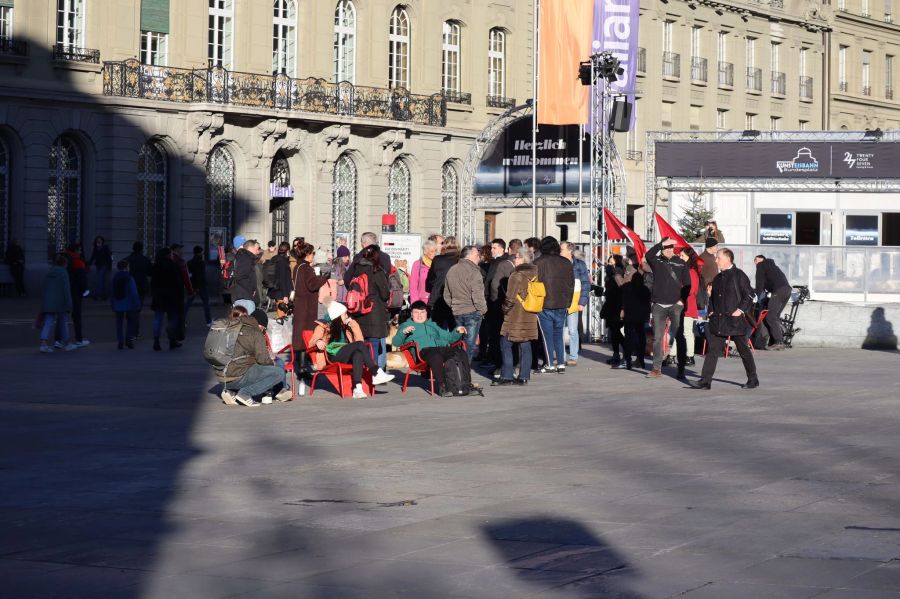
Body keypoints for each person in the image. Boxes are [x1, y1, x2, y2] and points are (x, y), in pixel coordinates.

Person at [689, 248, 759, 390]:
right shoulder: (718, 277)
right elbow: (714, 298)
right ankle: (705, 381)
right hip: (719, 320)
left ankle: (753, 379)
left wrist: (740, 310)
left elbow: (750, 295)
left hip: (735, 321)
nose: (716, 261)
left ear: (728, 259)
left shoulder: (739, 275)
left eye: (718, 258)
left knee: (743, 351)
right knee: (712, 351)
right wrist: (711, 311)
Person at [310, 301, 395, 398]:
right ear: (337, 315)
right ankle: (375, 372)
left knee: (358, 353)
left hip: (346, 353)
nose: (347, 316)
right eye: (345, 314)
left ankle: (357, 388)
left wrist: (353, 325)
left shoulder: (347, 326)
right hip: (332, 356)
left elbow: (360, 341)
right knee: (358, 346)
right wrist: (318, 342)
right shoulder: (323, 326)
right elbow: (311, 342)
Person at [219, 305, 292, 407]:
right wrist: (273, 362)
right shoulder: (255, 333)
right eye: (264, 329)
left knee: (255, 367)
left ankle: (230, 391)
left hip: (223, 378)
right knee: (278, 371)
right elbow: (263, 360)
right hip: (240, 375)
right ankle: (247, 393)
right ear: (261, 326)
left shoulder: (231, 328)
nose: (264, 331)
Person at [391, 301, 469, 396]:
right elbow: (396, 342)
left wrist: (457, 331)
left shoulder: (433, 325)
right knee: (434, 353)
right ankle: (442, 386)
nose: (419, 315)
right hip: (422, 354)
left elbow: (449, 338)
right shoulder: (406, 325)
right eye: (416, 312)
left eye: (422, 312)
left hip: (440, 349)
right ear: (411, 314)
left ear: (426, 313)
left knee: (460, 352)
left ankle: (466, 385)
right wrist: (403, 332)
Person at [645, 237, 691, 378]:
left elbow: (688, 284)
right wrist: (660, 244)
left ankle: (681, 369)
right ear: (662, 249)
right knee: (657, 338)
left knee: (679, 337)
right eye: (667, 248)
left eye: (671, 247)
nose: (670, 250)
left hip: (675, 306)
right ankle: (656, 369)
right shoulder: (656, 261)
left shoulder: (681, 263)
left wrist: (682, 299)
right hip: (659, 305)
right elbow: (648, 255)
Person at [496, 247, 539, 385]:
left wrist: (504, 309)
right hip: (530, 312)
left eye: (516, 257)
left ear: (522, 259)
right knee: (525, 344)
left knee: (505, 343)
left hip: (515, 315)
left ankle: (507, 376)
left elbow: (510, 297)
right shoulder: (536, 273)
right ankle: (524, 376)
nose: (514, 259)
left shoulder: (516, 275)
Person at [534, 236, 575, 374]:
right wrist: (568, 302)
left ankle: (550, 364)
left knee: (547, 335)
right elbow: (571, 284)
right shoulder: (566, 262)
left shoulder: (538, 262)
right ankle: (561, 363)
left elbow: (533, 283)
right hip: (562, 303)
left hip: (544, 303)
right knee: (559, 334)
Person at [443, 245, 488, 362]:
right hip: (472, 312)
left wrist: (454, 306)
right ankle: (464, 374)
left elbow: (446, 294)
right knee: (469, 346)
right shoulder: (474, 271)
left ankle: (457, 371)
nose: (479, 256)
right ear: (470, 256)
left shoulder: (452, 269)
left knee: (459, 344)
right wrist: (482, 310)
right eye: (477, 254)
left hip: (457, 311)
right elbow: (477, 294)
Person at [351, 245, 391, 370]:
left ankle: (362, 373)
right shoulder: (376, 271)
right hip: (374, 311)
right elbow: (385, 294)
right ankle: (373, 374)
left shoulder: (357, 270)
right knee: (374, 344)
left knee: (362, 343)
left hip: (359, 311)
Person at [291, 242, 331, 364]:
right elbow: (312, 285)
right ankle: (303, 366)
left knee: (300, 333)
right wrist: (323, 278)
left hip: (300, 304)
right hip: (307, 306)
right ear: (307, 254)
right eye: (312, 253)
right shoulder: (306, 268)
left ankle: (300, 362)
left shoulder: (298, 266)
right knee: (306, 333)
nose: (313, 255)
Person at [666, 248, 701, 377]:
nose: (680, 257)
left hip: (687, 305)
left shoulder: (691, 271)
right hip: (680, 304)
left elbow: (691, 290)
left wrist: (678, 292)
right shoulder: (683, 270)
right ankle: (672, 355)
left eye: (682, 255)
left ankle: (690, 356)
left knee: (686, 331)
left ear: (689, 257)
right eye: (679, 255)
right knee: (677, 331)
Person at [614, 257, 651, 370]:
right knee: (640, 335)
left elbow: (624, 294)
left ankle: (627, 360)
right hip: (641, 313)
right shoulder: (646, 283)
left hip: (631, 312)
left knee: (629, 336)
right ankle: (640, 360)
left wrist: (617, 275)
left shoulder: (629, 281)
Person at [39, 254, 76, 353]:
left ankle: (43, 343)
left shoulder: (50, 272)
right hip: (61, 302)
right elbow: (66, 290)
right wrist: (69, 304)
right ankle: (67, 343)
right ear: (64, 264)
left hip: (48, 301)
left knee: (48, 322)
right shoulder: (63, 273)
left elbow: (44, 288)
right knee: (63, 322)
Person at [150, 247, 185, 351]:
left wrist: (154, 293)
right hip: (172, 296)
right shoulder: (174, 266)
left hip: (159, 295)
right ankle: (172, 340)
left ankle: (156, 341)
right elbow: (179, 283)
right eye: (170, 254)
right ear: (168, 255)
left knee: (157, 318)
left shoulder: (156, 266)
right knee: (172, 319)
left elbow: (152, 283)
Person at [561, 242, 591, 366]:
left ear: (570, 251)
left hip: (574, 302)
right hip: (560, 301)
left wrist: (582, 302)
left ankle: (573, 356)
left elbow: (585, 284)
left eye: (562, 249)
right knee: (561, 330)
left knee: (573, 330)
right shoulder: (558, 263)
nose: (560, 251)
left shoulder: (579, 265)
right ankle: (561, 356)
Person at [754, 255, 791, 350]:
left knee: (770, 316)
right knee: (775, 316)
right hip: (787, 290)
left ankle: (779, 341)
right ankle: (775, 341)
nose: (756, 263)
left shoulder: (761, 266)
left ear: (761, 260)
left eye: (756, 261)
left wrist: (756, 298)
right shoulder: (773, 266)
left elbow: (759, 285)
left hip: (778, 291)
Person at [425, 236, 461, 329]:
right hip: (456, 299)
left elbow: (430, 280)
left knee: (438, 330)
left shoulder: (437, 259)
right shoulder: (461, 260)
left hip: (438, 298)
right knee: (455, 331)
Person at [60, 243, 89, 348]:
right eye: (79, 250)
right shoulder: (77, 261)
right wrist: (85, 289)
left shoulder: (63, 259)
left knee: (62, 316)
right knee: (76, 316)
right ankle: (79, 339)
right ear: (76, 250)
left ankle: (58, 340)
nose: (80, 252)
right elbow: (82, 278)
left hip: (63, 291)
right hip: (75, 292)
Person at [600, 255, 625, 366]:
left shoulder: (618, 271)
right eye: (608, 261)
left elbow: (620, 287)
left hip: (617, 305)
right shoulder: (610, 273)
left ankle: (625, 351)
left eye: (611, 261)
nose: (609, 263)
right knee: (613, 331)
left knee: (615, 330)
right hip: (610, 305)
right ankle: (616, 354)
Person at [111, 260, 141, 349]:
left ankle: (120, 342)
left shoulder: (115, 277)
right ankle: (128, 340)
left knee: (119, 323)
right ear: (126, 267)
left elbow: (112, 292)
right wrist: (137, 303)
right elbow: (134, 292)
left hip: (117, 303)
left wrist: (112, 303)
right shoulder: (129, 277)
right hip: (129, 304)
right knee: (131, 321)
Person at [124, 242, 152, 335]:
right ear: (141, 249)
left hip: (129, 287)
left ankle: (131, 328)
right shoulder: (145, 260)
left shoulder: (127, 260)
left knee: (130, 308)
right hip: (141, 287)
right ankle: (134, 330)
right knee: (137, 309)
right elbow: (150, 272)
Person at [170, 243, 194, 340]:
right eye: (180, 249)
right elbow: (186, 278)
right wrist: (190, 291)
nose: (182, 251)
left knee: (169, 313)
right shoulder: (180, 261)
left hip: (166, 290)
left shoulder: (165, 260)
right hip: (178, 290)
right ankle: (176, 333)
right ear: (176, 250)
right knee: (179, 313)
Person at [185, 245, 212, 327]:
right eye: (202, 252)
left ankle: (181, 320)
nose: (203, 253)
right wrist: (198, 286)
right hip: (201, 286)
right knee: (206, 304)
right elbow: (201, 276)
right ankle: (209, 322)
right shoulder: (201, 263)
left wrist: (193, 286)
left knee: (188, 304)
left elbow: (189, 275)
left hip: (192, 285)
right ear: (199, 253)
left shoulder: (189, 262)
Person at [232, 239, 261, 309]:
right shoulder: (245, 258)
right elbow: (240, 276)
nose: (258, 252)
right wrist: (251, 289)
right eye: (257, 249)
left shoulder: (245, 257)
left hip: (244, 297)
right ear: (250, 248)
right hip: (245, 298)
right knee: (247, 319)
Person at [410, 238, 438, 304]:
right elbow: (413, 286)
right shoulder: (418, 264)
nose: (434, 253)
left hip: (434, 301)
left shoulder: (437, 264)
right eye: (432, 251)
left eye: (435, 251)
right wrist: (415, 303)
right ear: (425, 252)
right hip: (421, 302)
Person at [88, 235, 112, 300]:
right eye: (98, 240)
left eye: (100, 239)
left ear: (102, 241)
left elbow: (108, 257)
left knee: (100, 280)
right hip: (98, 265)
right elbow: (93, 257)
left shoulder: (105, 247)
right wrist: (89, 264)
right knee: (100, 280)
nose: (99, 241)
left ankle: (99, 294)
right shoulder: (95, 248)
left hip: (104, 265)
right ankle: (102, 295)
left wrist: (110, 266)